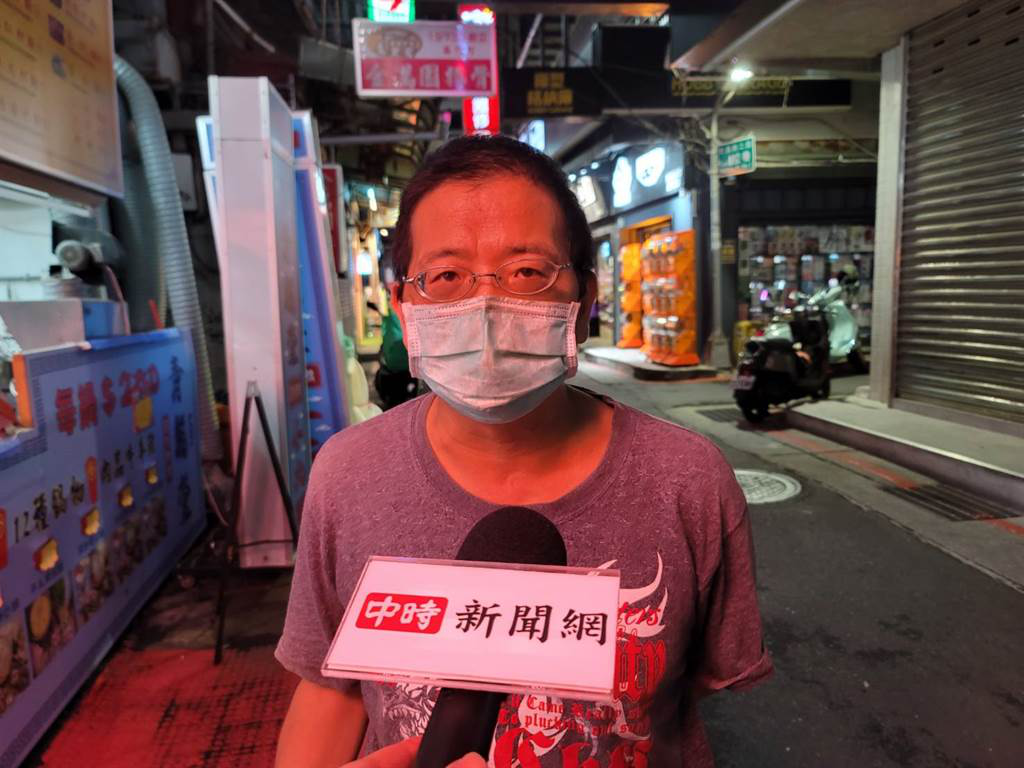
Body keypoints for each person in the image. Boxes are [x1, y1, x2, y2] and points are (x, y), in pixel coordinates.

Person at [275, 135, 772, 768]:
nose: (485, 305)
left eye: (528, 273)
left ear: (585, 300)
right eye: (446, 276)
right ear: (403, 308)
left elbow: (683, 693)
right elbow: (333, 689)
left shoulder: (687, 480)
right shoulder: (348, 473)